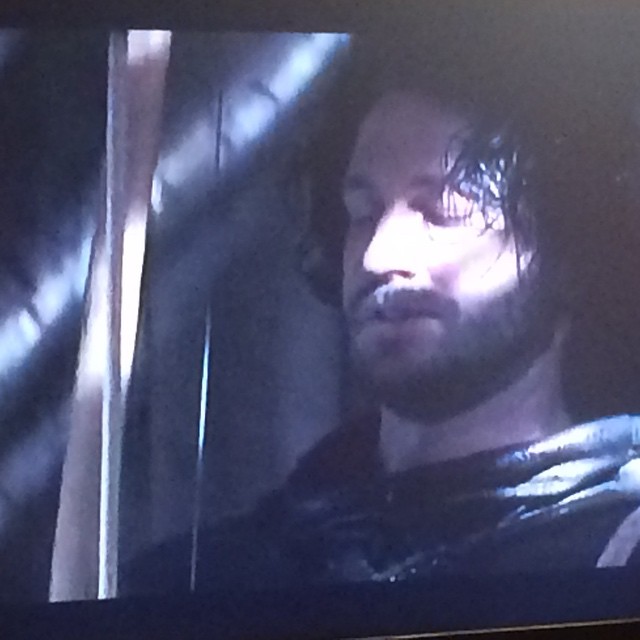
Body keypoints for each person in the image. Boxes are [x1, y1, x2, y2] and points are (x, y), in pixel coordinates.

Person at [122, 32, 640, 595]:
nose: (378, 256)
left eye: (442, 211)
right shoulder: (207, 581)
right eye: (362, 212)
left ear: (566, 249)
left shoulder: (619, 554)